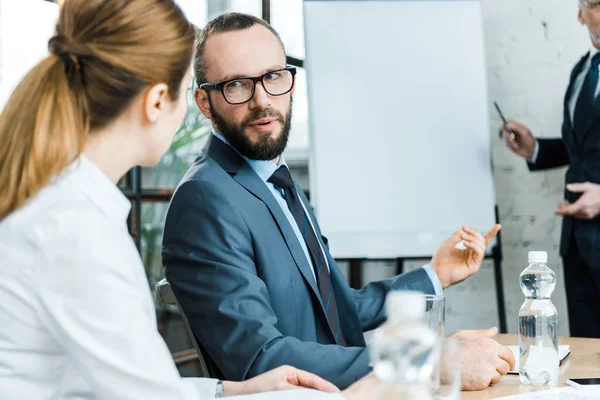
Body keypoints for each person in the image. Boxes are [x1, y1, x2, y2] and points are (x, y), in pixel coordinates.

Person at [0, 1, 375, 399]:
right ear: (158, 101)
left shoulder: (64, 208)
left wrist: (224, 391)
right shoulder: (80, 234)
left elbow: (135, 383)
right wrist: (378, 387)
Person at [162, 12, 515, 391]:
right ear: (204, 101)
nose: (262, 100)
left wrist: (435, 274)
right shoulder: (206, 199)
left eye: (273, 76)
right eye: (236, 85)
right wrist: (427, 361)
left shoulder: (275, 179)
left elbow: (334, 307)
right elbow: (260, 359)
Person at [502, 0, 600, 338]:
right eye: (599, 4)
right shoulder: (582, 71)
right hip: (577, 244)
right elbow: (582, 150)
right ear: (580, 13)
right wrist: (536, 149)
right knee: (589, 364)